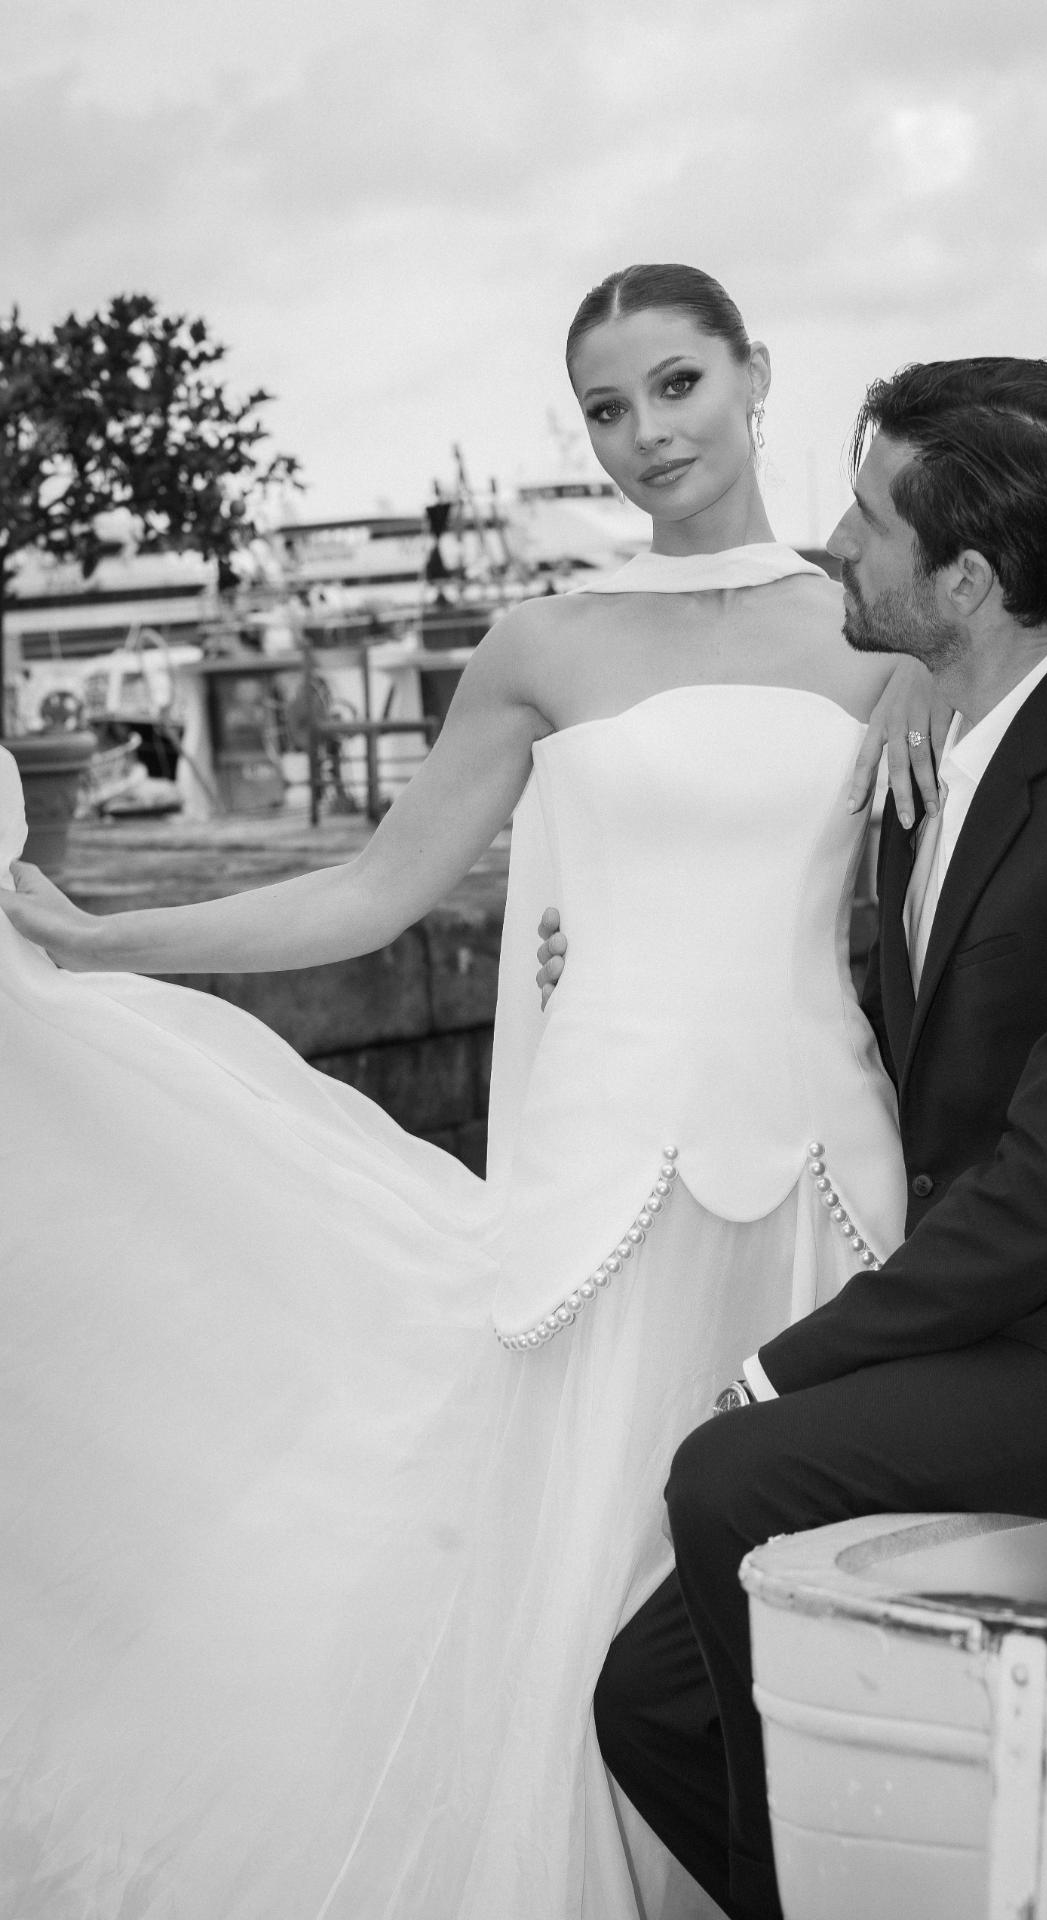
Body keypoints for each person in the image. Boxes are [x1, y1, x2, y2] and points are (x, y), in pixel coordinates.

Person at [0, 265, 937, 1920]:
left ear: (754, 376)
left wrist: (946, 676)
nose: (647, 435)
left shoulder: (880, 633)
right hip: (607, 1184)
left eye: (675, 385)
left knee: (801, 1589)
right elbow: (370, 895)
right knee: (586, 1582)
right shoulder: (541, 642)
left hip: (827, 1178)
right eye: (604, 408)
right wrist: (101, 940)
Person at [592, 356, 1047, 1920]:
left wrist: (792, 1364)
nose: (829, 546)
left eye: (866, 521)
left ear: (971, 579)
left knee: (728, 1469)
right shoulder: (952, 752)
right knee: (644, 1705)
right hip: (1025, 1327)